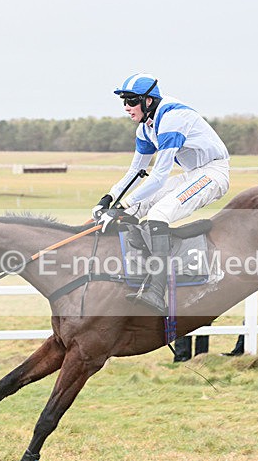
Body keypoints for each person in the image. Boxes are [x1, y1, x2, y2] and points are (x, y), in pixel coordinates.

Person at [92, 73, 231, 314]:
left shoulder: (172, 119)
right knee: (136, 208)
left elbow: (158, 176)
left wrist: (121, 207)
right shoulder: (145, 129)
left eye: (131, 101)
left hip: (214, 173)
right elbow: (136, 172)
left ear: (148, 101)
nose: (126, 107)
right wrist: (109, 198)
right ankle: (135, 270)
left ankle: (156, 291)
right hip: (193, 173)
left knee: (158, 213)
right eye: (124, 101)